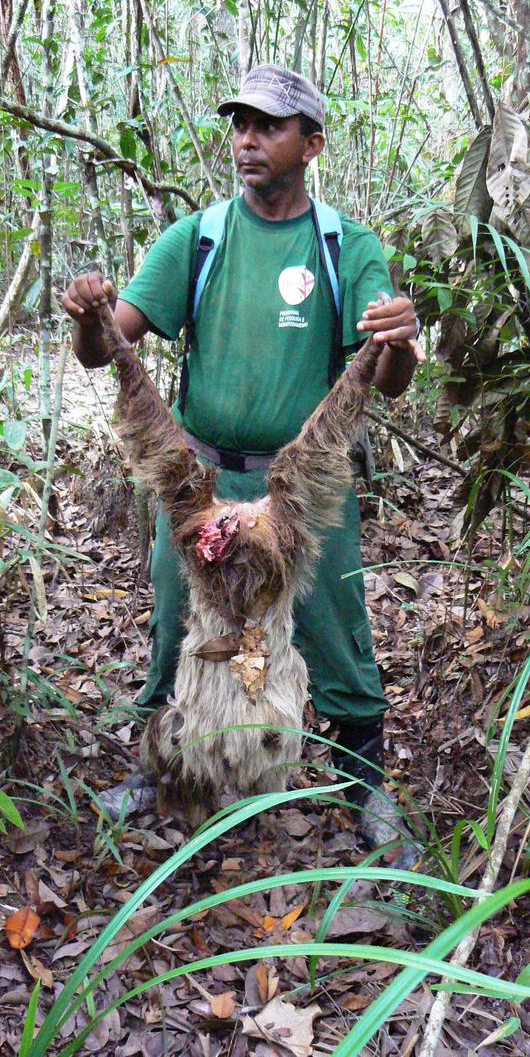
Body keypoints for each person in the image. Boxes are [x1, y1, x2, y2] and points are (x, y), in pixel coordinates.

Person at [62, 64, 422, 853]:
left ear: (311, 143)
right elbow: (106, 346)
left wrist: (398, 337)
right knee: (174, 618)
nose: (247, 139)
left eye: (268, 125)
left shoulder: (345, 246)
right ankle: (160, 762)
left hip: (303, 484)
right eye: (240, 124)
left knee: (334, 623)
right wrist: (90, 316)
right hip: (201, 478)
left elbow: (388, 375)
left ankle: (368, 780)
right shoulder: (199, 237)